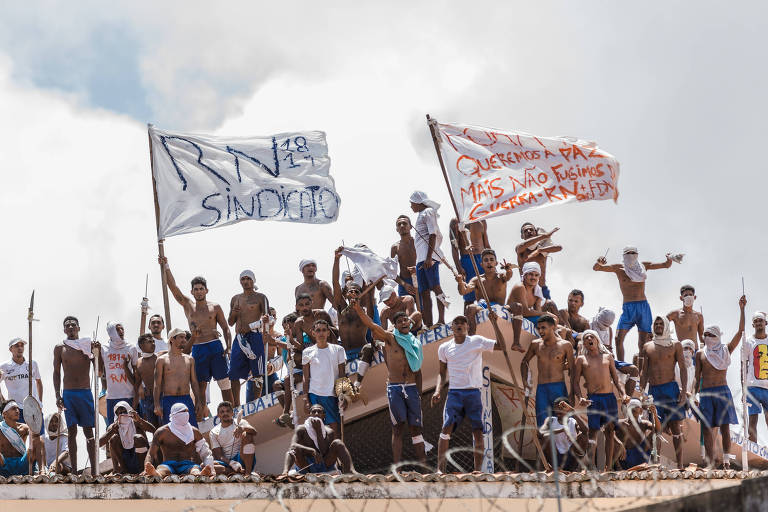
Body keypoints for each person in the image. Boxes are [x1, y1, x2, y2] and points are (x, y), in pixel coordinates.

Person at [353, 301, 427, 464]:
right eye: (399, 322)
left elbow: (418, 371)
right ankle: (397, 468)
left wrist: (419, 395)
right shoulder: (391, 338)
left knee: (416, 428)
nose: (403, 323)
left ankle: (425, 466)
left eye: (405, 320)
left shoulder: (415, 343)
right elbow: (372, 325)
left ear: (410, 322)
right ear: (395, 326)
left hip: (412, 387)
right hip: (395, 387)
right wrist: (359, 309)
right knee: (398, 427)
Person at [431, 313, 503, 473]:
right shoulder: (444, 348)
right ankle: (440, 469)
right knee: (446, 427)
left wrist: (495, 323)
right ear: (452, 327)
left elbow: (501, 346)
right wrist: (437, 390)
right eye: (456, 322)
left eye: (463, 322)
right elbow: (441, 373)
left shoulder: (476, 341)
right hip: (454, 393)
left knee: (478, 430)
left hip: (473, 393)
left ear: (467, 327)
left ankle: (478, 470)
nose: (460, 325)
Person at [161, 256, 234, 406]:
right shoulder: (189, 305)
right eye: (196, 289)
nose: (199, 292)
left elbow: (226, 328)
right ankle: (201, 414)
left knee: (224, 382)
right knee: (200, 385)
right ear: (192, 291)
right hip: (198, 348)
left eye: (201, 289)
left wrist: (229, 346)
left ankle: (231, 410)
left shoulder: (215, 307)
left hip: (215, 345)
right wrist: (166, 266)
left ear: (206, 290)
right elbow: (174, 288)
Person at [592, 247, 674, 362]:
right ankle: (622, 367)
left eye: (633, 253)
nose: (631, 255)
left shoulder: (643, 266)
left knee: (643, 342)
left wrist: (669, 259)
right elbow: (596, 268)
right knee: (618, 338)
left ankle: (641, 369)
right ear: (624, 255)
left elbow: (665, 265)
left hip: (643, 307)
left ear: (637, 255)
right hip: (628, 308)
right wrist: (599, 262)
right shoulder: (618, 268)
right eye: (628, 253)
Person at [694, 295, 746, 469]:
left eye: (710, 334)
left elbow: (740, 333)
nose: (707, 337)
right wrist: (694, 394)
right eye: (705, 334)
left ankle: (725, 461)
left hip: (722, 392)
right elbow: (697, 376)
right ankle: (709, 462)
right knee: (707, 429)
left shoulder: (726, 350)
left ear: (717, 336)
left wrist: (742, 309)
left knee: (725, 428)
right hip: (707, 394)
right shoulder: (701, 354)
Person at [572, 330, 630, 471]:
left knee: (610, 431)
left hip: (609, 398)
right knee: (593, 432)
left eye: (592, 336)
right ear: (584, 343)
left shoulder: (608, 356)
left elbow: (616, 379)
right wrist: (580, 398)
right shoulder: (581, 359)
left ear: (597, 339)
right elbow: (575, 382)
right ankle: (590, 468)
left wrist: (624, 394)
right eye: (586, 338)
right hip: (594, 399)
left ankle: (608, 467)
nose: (589, 339)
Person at [53, 316, 103, 473]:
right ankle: (74, 471)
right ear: (64, 330)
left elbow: (99, 369)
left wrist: (98, 352)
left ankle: (95, 470)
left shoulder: (87, 345)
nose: (70, 327)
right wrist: (57, 395)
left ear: (78, 328)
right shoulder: (60, 347)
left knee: (89, 431)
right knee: (71, 431)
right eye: (67, 325)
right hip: (68, 393)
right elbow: (56, 372)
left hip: (85, 392)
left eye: (73, 325)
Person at [638, 316, 688, 468]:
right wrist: (642, 393)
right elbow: (644, 372)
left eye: (661, 324)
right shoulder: (647, 346)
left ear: (666, 326)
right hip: (655, 391)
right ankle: (656, 463)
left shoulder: (675, 345)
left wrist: (684, 391)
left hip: (671, 390)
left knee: (676, 428)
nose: (658, 326)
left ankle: (679, 464)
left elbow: (683, 368)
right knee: (655, 427)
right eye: (656, 324)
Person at [520, 315, 575, 427]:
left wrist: (572, 393)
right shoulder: (536, 344)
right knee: (543, 424)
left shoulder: (565, 345)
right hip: (542, 390)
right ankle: (544, 444)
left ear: (553, 327)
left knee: (564, 423)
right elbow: (524, 362)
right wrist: (524, 381)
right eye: (538, 328)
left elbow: (573, 370)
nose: (540, 331)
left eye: (543, 328)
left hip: (559, 388)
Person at [332, 247, 375, 388]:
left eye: (357, 291)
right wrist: (336, 259)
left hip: (360, 351)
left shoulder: (363, 311)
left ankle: (358, 383)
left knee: (369, 347)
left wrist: (369, 290)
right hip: (343, 353)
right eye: (350, 291)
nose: (353, 293)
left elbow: (371, 319)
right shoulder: (341, 309)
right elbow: (335, 284)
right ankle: (344, 394)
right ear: (345, 294)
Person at [228, 270, 270, 406]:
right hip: (239, 338)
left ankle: (256, 403)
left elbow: (270, 319)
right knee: (233, 372)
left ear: (253, 280)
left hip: (255, 336)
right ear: (240, 281)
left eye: (248, 279)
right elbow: (230, 322)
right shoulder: (235, 298)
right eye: (243, 279)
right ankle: (236, 405)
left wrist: (252, 325)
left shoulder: (261, 297)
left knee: (258, 372)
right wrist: (234, 312)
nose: (246, 281)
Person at [410, 190, 449, 328]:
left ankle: (442, 320)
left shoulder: (427, 212)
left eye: (412, 203)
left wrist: (428, 258)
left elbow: (432, 234)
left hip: (429, 258)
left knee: (436, 287)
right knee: (424, 292)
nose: (411, 206)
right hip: (421, 259)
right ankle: (429, 323)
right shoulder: (421, 214)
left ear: (417, 202)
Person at [302, 319, 347, 439]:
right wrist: (306, 399)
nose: (321, 333)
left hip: (332, 395)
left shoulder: (338, 349)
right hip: (314, 395)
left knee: (335, 431)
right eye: (318, 330)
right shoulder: (307, 352)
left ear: (328, 332)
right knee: (317, 432)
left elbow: (342, 374)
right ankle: (322, 458)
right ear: (313, 333)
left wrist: (344, 395)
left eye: (323, 330)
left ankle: (336, 457)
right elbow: (306, 377)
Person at [143, 403, 215, 477]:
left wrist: (211, 469)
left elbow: (206, 453)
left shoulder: (195, 432)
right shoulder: (162, 432)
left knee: (195, 469)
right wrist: (147, 467)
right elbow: (150, 454)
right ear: (174, 415)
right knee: (162, 470)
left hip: (188, 465)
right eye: (182, 412)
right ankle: (156, 474)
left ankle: (199, 475)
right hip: (168, 465)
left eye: (187, 411)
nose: (186, 414)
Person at [456, 248, 515, 335]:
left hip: (500, 307)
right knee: (470, 308)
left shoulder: (501, 276)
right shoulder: (476, 280)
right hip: (482, 307)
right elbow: (463, 291)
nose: (489, 262)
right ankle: (471, 338)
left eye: (491, 260)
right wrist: (460, 282)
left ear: (496, 263)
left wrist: (509, 270)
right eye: (486, 260)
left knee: (517, 306)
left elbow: (508, 276)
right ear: (481, 264)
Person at [283, 404, 354, 474]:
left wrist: (318, 431)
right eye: (313, 412)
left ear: (324, 415)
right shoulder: (301, 429)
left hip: (324, 464)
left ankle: (350, 471)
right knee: (292, 451)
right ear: (310, 414)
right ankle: (285, 473)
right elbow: (293, 445)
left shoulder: (329, 431)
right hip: (306, 466)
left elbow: (323, 452)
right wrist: (312, 451)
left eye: (319, 412)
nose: (316, 414)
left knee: (338, 443)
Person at [154, 328, 204, 426]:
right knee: (172, 434)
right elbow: (157, 384)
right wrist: (157, 405)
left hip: (186, 399)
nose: (184, 340)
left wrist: (198, 401)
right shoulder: (161, 360)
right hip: (168, 400)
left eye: (185, 338)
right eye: (181, 337)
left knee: (192, 431)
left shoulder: (189, 359)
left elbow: (194, 382)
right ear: (172, 339)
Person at [506, 261, 559, 352]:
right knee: (548, 320)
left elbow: (538, 312)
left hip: (526, 317)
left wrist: (549, 318)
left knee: (552, 322)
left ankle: (552, 348)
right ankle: (516, 343)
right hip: (514, 315)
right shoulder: (520, 287)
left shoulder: (537, 291)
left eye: (536, 275)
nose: (533, 277)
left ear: (539, 277)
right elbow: (525, 311)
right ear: (525, 275)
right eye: (531, 274)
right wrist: (546, 313)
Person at [1, 338, 43, 433]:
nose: (20, 348)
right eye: (17, 346)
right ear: (11, 349)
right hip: (16, 409)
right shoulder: (4, 366)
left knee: (37, 437)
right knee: (18, 437)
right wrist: (3, 401)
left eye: (22, 345)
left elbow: (39, 382)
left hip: (33, 406)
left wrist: (40, 402)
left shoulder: (32, 364)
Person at [100, 401, 154, 474]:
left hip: (140, 458)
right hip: (124, 460)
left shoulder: (136, 422)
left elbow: (153, 430)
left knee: (138, 438)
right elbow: (99, 444)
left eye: (124, 411)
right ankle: (122, 470)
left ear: (129, 411)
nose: (122, 414)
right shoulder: (114, 426)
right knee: (114, 438)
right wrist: (112, 431)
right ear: (116, 414)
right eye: (120, 412)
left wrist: (140, 420)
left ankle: (142, 470)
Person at [103, 321, 139, 427]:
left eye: (122, 328)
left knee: (133, 428)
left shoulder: (131, 348)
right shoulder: (103, 349)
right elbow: (100, 372)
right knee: (114, 429)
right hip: (112, 397)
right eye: (117, 329)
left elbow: (136, 378)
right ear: (111, 332)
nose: (121, 331)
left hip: (129, 395)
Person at [539, 397, 588, 471]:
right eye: (556, 409)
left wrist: (573, 411)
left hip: (571, 458)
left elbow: (585, 430)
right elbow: (540, 433)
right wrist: (562, 429)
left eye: (561, 408)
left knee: (583, 437)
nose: (558, 411)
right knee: (546, 436)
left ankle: (572, 469)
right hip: (555, 458)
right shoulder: (551, 420)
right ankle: (556, 468)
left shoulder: (573, 421)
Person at [449, 218, 489, 305]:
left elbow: (486, 244)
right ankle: (468, 318)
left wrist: (492, 263)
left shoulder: (481, 219)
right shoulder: (456, 221)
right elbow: (454, 247)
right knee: (469, 297)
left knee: (486, 295)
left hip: (483, 260)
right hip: (467, 260)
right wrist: (459, 268)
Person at [210, 401, 257, 475]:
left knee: (248, 435)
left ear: (232, 413)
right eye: (222, 412)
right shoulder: (214, 431)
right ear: (218, 415)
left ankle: (247, 473)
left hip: (242, 458)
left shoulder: (240, 422)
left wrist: (243, 428)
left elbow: (254, 432)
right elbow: (219, 455)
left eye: (228, 411)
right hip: (227, 463)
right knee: (206, 465)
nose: (225, 413)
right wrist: (232, 463)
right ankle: (236, 472)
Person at [516, 224, 561, 300]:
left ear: (536, 232)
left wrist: (540, 250)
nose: (529, 231)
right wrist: (544, 236)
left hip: (542, 289)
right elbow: (520, 247)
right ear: (522, 236)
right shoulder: (521, 249)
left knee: (550, 307)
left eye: (531, 229)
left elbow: (559, 247)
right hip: (526, 290)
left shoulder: (543, 249)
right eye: (525, 231)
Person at [616, 398, 662, 470]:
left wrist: (655, 415)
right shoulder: (621, 423)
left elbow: (658, 430)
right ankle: (618, 468)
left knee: (656, 435)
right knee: (614, 441)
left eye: (636, 406)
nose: (633, 408)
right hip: (624, 458)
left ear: (641, 411)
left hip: (640, 457)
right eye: (631, 406)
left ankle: (655, 464)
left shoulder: (644, 424)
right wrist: (620, 443)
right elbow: (608, 432)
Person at [0, 400, 42, 477]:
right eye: (13, 409)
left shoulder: (25, 428)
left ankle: (41, 470)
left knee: (38, 439)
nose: (17, 411)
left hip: (22, 463)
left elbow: (36, 435)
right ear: (4, 414)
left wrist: (33, 420)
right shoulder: (0, 428)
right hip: (4, 465)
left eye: (17, 408)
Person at [746, 311, 768, 442]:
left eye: (761, 320)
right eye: (756, 321)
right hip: (752, 387)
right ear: (753, 324)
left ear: (766, 323)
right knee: (752, 421)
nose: (759, 323)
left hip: (767, 388)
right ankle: (752, 452)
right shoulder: (748, 341)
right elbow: (743, 365)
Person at [391, 215, 419, 301]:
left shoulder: (418, 243)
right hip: (404, 283)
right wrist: (404, 284)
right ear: (396, 229)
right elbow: (392, 272)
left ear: (410, 226)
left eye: (404, 223)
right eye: (399, 224)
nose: (402, 226)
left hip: (419, 279)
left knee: (423, 309)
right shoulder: (395, 248)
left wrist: (416, 270)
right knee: (405, 310)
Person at [667, 285, 704, 349]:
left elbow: (701, 337)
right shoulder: (675, 314)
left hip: (694, 350)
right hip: (681, 350)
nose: (688, 297)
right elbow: (661, 323)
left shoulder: (699, 316)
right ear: (681, 298)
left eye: (690, 295)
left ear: (694, 297)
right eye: (686, 295)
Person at [134, 334, 159, 426]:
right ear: (141, 345)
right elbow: (136, 383)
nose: (153, 344)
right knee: (153, 427)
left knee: (164, 426)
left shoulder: (159, 358)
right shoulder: (139, 362)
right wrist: (134, 406)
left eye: (153, 342)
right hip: (147, 399)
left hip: (161, 397)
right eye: (149, 342)